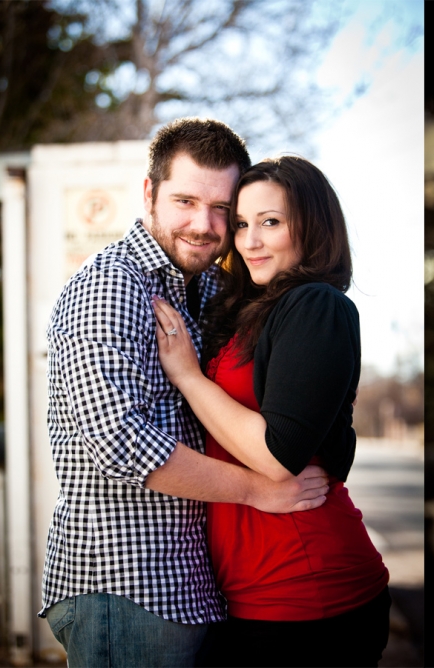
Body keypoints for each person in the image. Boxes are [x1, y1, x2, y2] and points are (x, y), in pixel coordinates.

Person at [40, 118, 330, 668]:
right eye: (185, 201)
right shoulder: (112, 285)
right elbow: (118, 441)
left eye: (222, 208)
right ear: (149, 193)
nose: (204, 224)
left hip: (195, 588)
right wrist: (255, 490)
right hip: (125, 587)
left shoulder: (212, 288)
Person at [151, 156, 390, 667]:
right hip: (246, 589)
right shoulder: (250, 309)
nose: (250, 241)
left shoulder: (317, 305)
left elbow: (278, 456)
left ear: (312, 224)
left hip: (306, 590)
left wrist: (189, 377)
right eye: (241, 224)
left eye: (271, 222)